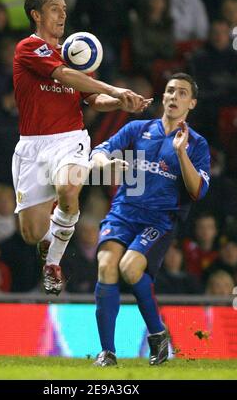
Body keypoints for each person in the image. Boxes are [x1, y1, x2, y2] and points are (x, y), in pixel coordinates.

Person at [12, 0, 151, 296]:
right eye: (53, 10)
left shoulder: (75, 55)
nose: (62, 16)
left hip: (70, 139)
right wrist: (114, 88)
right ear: (36, 15)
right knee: (32, 233)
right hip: (33, 146)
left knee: (67, 187)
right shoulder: (28, 48)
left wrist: (119, 102)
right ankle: (54, 232)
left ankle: (54, 264)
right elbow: (63, 75)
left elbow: (92, 99)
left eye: (63, 9)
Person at [91, 72, 210, 366]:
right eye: (170, 91)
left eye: (182, 93)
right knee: (106, 264)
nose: (174, 96)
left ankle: (157, 333)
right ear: (163, 96)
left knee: (130, 268)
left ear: (191, 103)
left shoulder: (197, 144)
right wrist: (107, 162)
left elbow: (197, 191)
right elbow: (97, 152)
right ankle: (107, 353)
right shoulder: (137, 129)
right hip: (123, 212)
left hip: (158, 221)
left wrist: (181, 154)